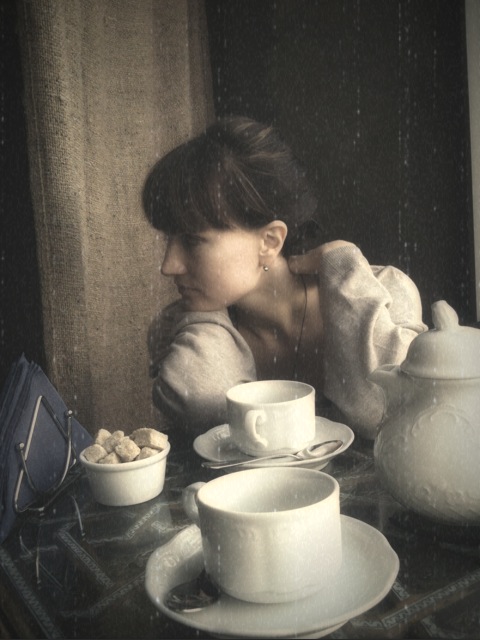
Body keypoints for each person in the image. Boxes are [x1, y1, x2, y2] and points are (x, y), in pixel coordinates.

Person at [143, 116, 427, 442]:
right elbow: (204, 406)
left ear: (270, 241)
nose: (169, 265)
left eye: (192, 241)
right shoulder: (185, 332)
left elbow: (382, 412)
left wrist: (345, 267)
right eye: (168, 240)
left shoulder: (385, 292)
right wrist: (203, 319)